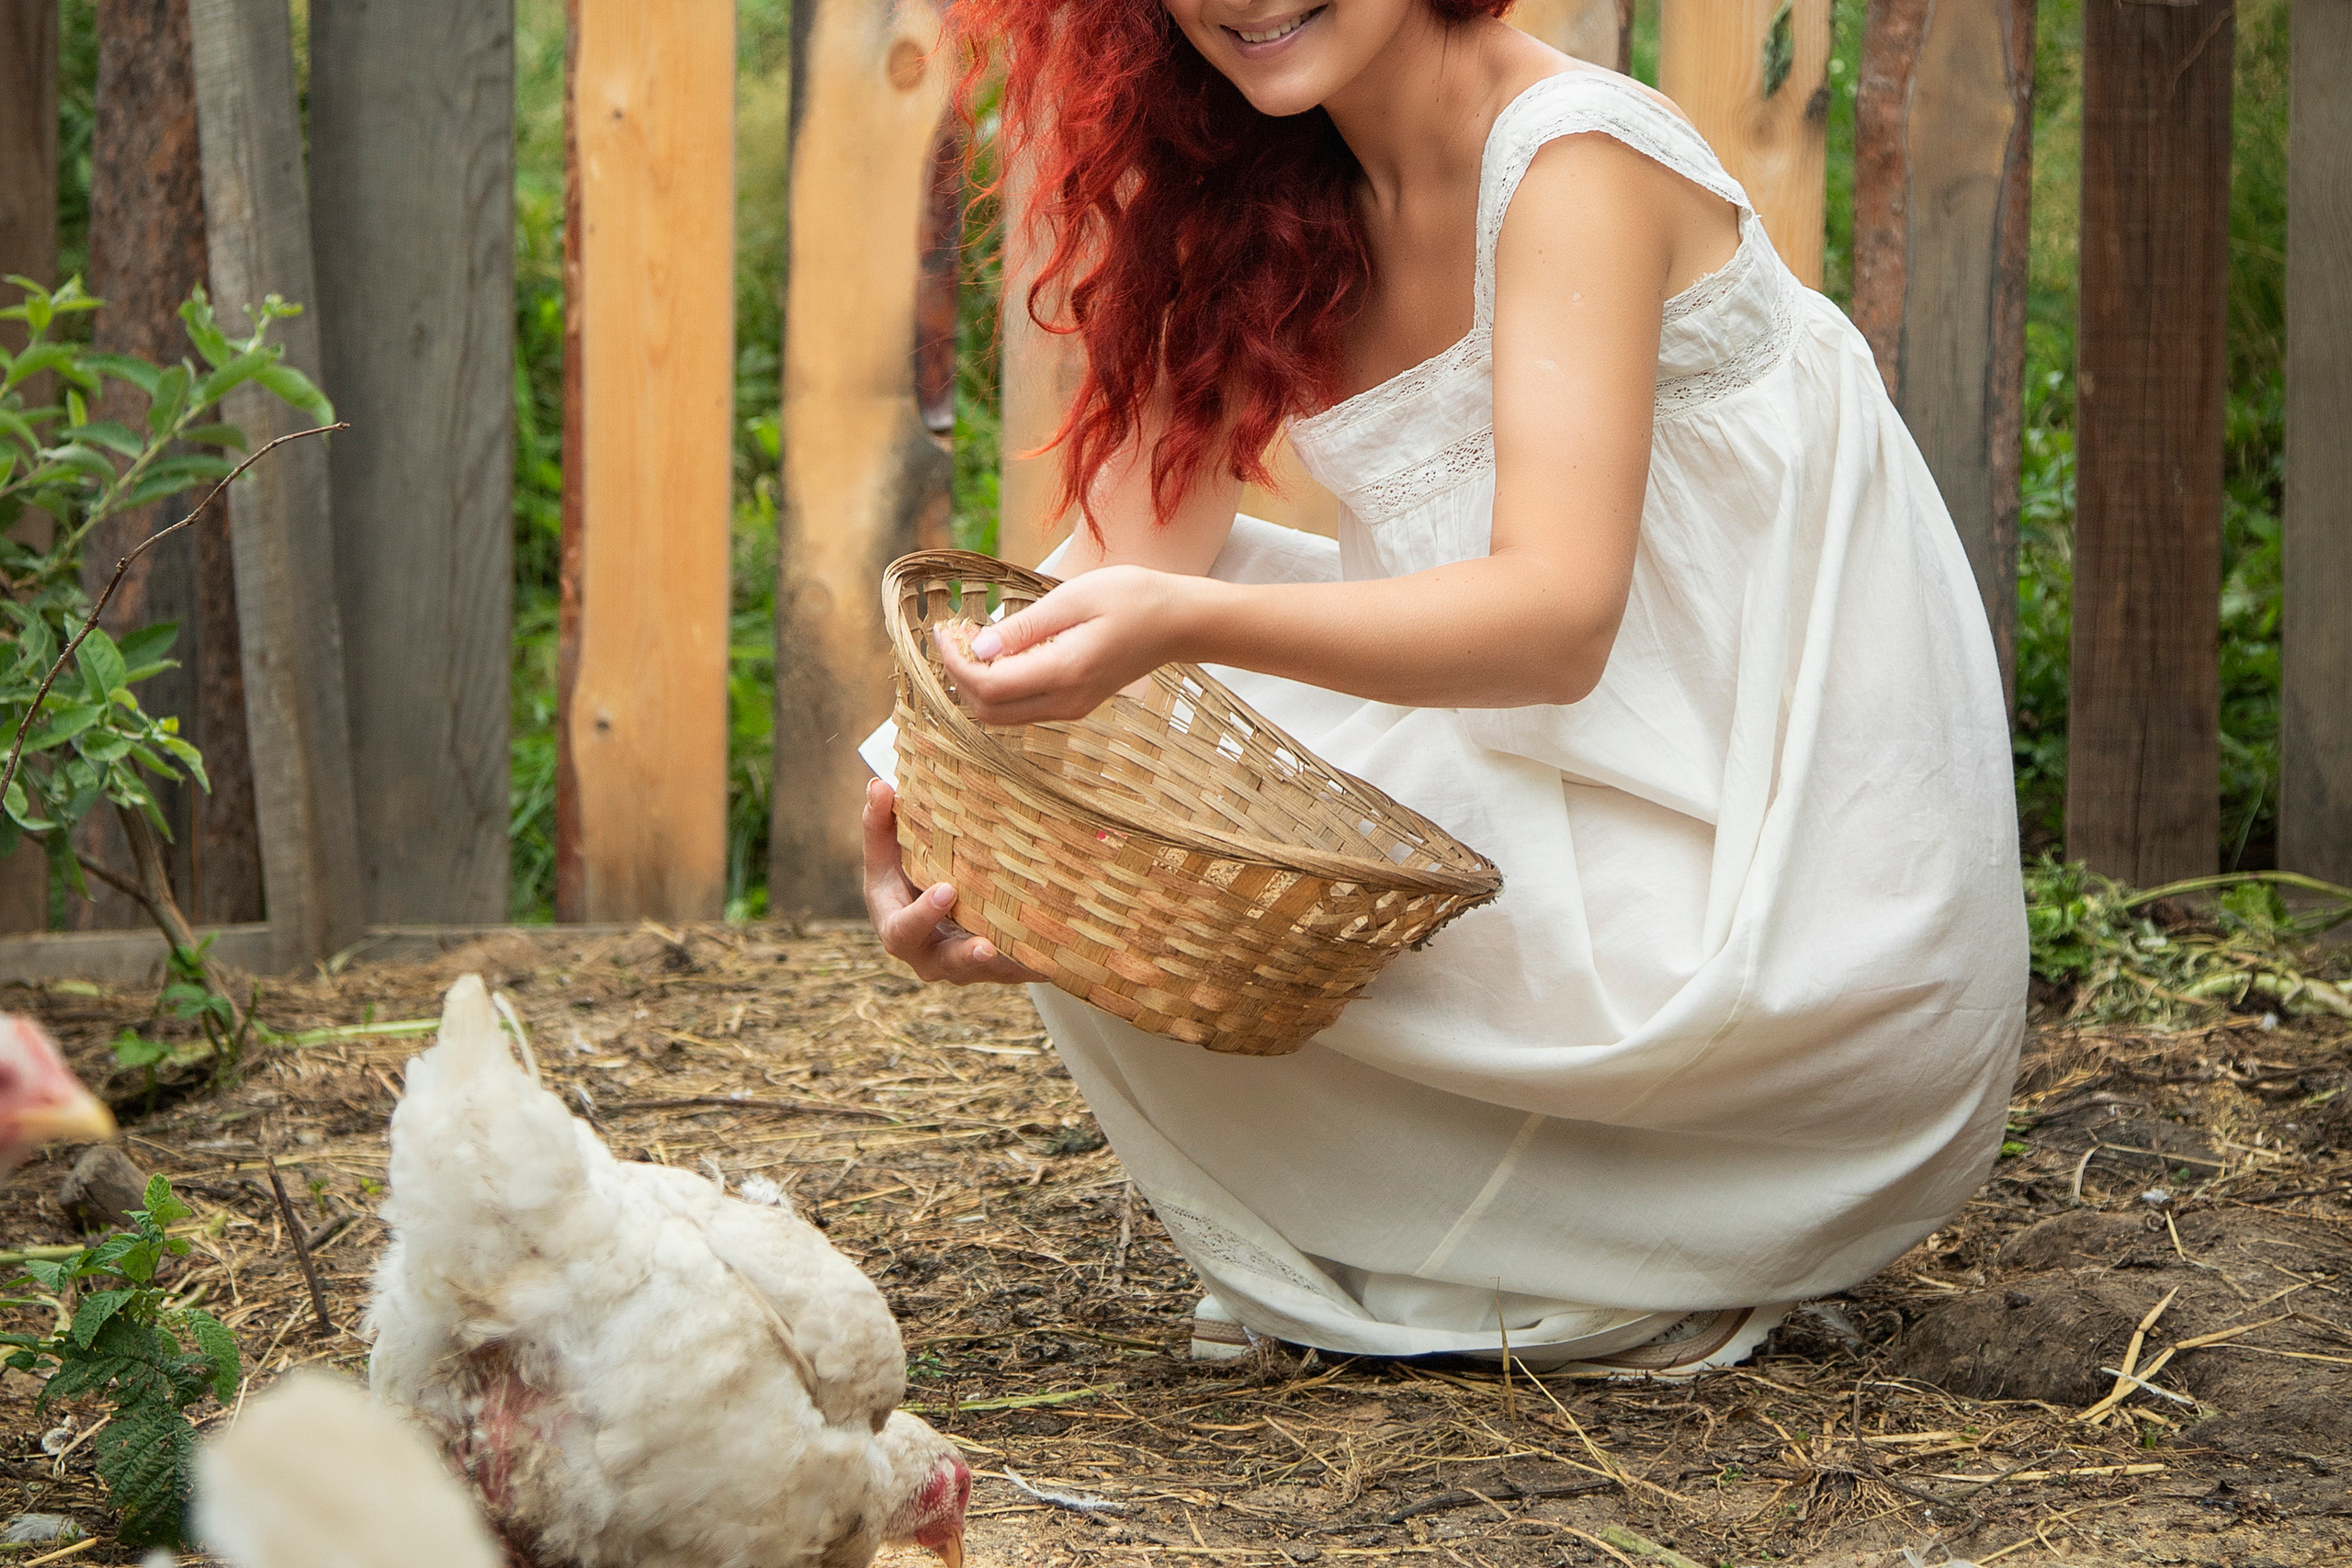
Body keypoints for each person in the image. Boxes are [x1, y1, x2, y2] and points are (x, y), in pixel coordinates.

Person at [859, 0, 2027, 1374]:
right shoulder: (1263, 190)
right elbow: (1093, 579)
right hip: (1553, 789)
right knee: (1073, 747)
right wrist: (913, 807)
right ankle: (1480, 1244)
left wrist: (1181, 624)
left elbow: (1555, 624)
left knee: (1153, 670)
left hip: (1784, 901)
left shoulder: (1573, 159)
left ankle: (1597, 1233)